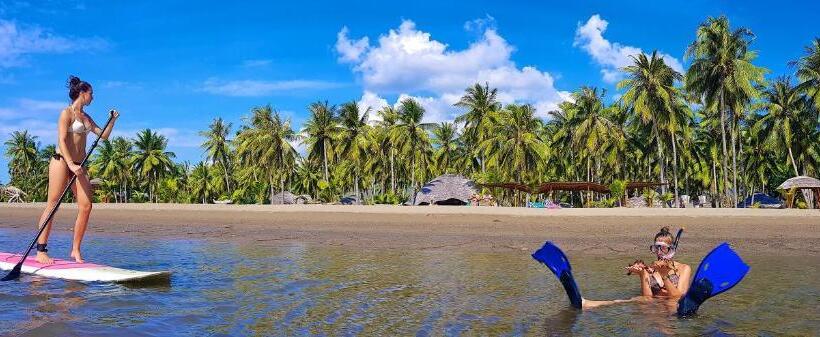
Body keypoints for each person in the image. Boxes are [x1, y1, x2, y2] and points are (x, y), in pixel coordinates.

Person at [35, 75, 119, 264]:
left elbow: (103, 135)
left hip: (79, 166)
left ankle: (75, 250)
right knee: (53, 205)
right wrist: (71, 163)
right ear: (82, 93)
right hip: (62, 162)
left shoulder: (86, 117)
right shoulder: (67, 113)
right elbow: (62, 140)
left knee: (86, 206)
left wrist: (112, 120)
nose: (93, 97)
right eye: (91, 94)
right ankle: (41, 250)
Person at [582, 227, 692, 309]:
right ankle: (591, 304)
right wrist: (643, 274)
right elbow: (648, 297)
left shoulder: (684, 268)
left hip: (673, 307)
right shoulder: (650, 269)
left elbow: (678, 297)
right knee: (633, 300)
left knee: (670, 306)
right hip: (655, 305)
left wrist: (664, 276)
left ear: (671, 250)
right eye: (656, 248)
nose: (659, 252)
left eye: (663, 248)